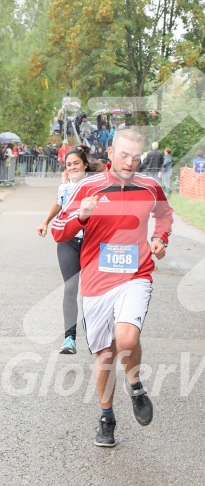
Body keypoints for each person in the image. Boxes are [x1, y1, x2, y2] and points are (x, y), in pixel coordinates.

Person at [51, 129, 173, 447]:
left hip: (136, 275)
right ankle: (107, 417)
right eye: (124, 155)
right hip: (96, 281)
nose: (130, 162)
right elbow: (59, 231)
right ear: (110, 152)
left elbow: (165, 215)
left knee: (127, 337)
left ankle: (134, 385)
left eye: (136, 157)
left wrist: (160, 238)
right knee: (105, 355)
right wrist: (81, 215)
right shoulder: (88, 188)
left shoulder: (150, 187)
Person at [37, 146, 103, 354]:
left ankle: (98, 337)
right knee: (70, 287)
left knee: (95, 291)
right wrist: (46, 221)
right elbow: (59, 205)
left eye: (76, 163)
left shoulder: (97, 186)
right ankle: (69, 339)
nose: (73, 167)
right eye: (69, 164)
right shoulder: (64, 188)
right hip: (68, 242)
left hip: (92, 243)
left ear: (85, 164)